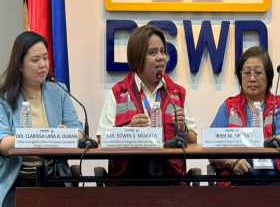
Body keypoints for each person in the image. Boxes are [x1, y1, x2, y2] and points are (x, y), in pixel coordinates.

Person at [97, 25, 197, 185]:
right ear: (138, 57)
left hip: (171, 181)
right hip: (127, 181)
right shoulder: (117, 93)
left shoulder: (177, 94)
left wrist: (183, 129)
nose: (161, 57)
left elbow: (193, 141)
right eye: (153, 52)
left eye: (163, 51)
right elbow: (101, 139)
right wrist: (128, 130)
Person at [0, 31, 85, 206]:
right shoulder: (4, 97)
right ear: (20, 65)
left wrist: (67, 134)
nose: (43, 65)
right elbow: (3, 144)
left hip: (53, 177)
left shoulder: (59, 90)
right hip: (16, 179)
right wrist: (41, 137)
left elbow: (79, 133)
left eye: (45, 58)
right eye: (35, 60)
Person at [209, 46, 280, 186]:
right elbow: (212, 148)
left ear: (268, 76)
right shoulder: (228, 107)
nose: (252, 78)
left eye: (257, 72)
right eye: (246, 73)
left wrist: (256, 145)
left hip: (275, 177)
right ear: (240, 76)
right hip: (237, 177)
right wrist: (232, 162)